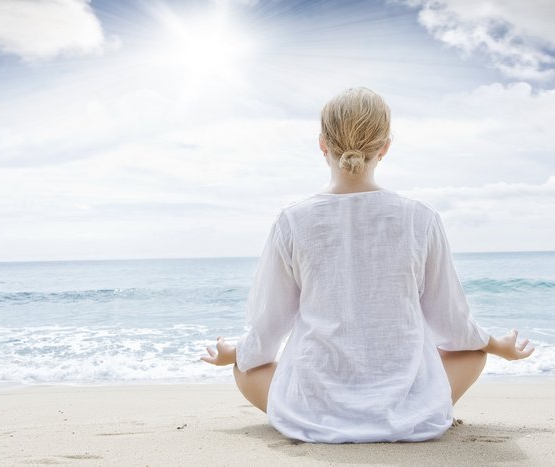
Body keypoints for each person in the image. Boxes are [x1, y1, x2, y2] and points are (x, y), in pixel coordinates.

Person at [200, 87, 535, 443]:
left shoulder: (292, 221)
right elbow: (451, 322)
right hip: (408, 414)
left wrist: (234, 354)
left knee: (245, 368)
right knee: (471, 353)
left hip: (315, 416)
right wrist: (498, 346)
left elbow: (270, 326)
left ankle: (324, 415)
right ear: (385, 147)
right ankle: (408, 413)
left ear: (322, 144)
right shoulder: (419, 218)